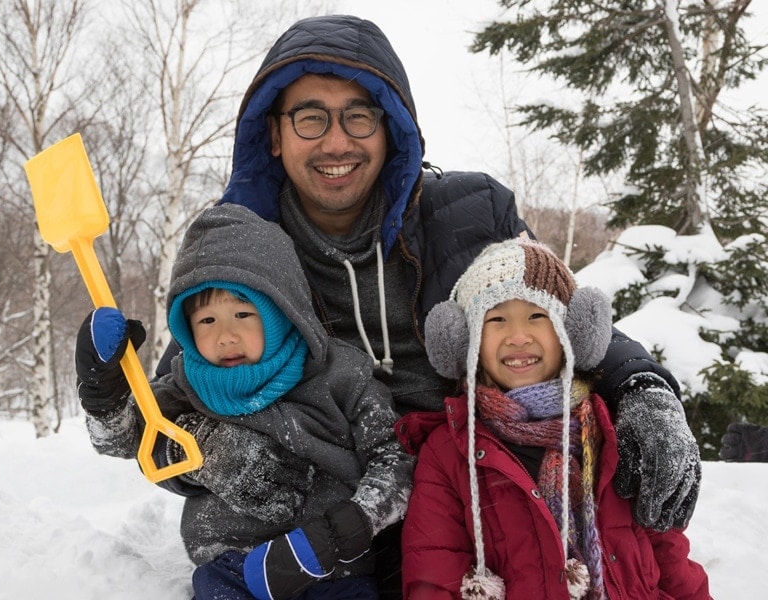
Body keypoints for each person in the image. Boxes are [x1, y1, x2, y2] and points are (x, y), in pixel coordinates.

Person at [86, 14, 701, 597]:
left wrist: (644, 387)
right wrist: (208, 449)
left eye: (359, 117)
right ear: (273, 134)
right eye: (309, 118)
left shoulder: (469, 213)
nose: (336, 141)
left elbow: (557, 311)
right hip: (325, 533)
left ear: (391, 130)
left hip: (477, 502)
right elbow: (167, 409)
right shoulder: (244, 252)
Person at [75, 204, 413, 600]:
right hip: (232, 568)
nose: (225, 336)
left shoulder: (342, 377)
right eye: (207, 321)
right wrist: (103, 390)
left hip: (332, 566)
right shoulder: (187, 385)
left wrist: (340, 532)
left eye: (242, 313)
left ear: (283, 311)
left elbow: (396, 463)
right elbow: (123, 437)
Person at [396, 238, 711, 599]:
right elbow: (433, 579)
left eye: (537, 315)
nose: (518, 337)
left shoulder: (612, 432)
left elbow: (671, 561)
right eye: (496, 318)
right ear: (466, 341)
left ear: (573, 333)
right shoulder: (448, 454)